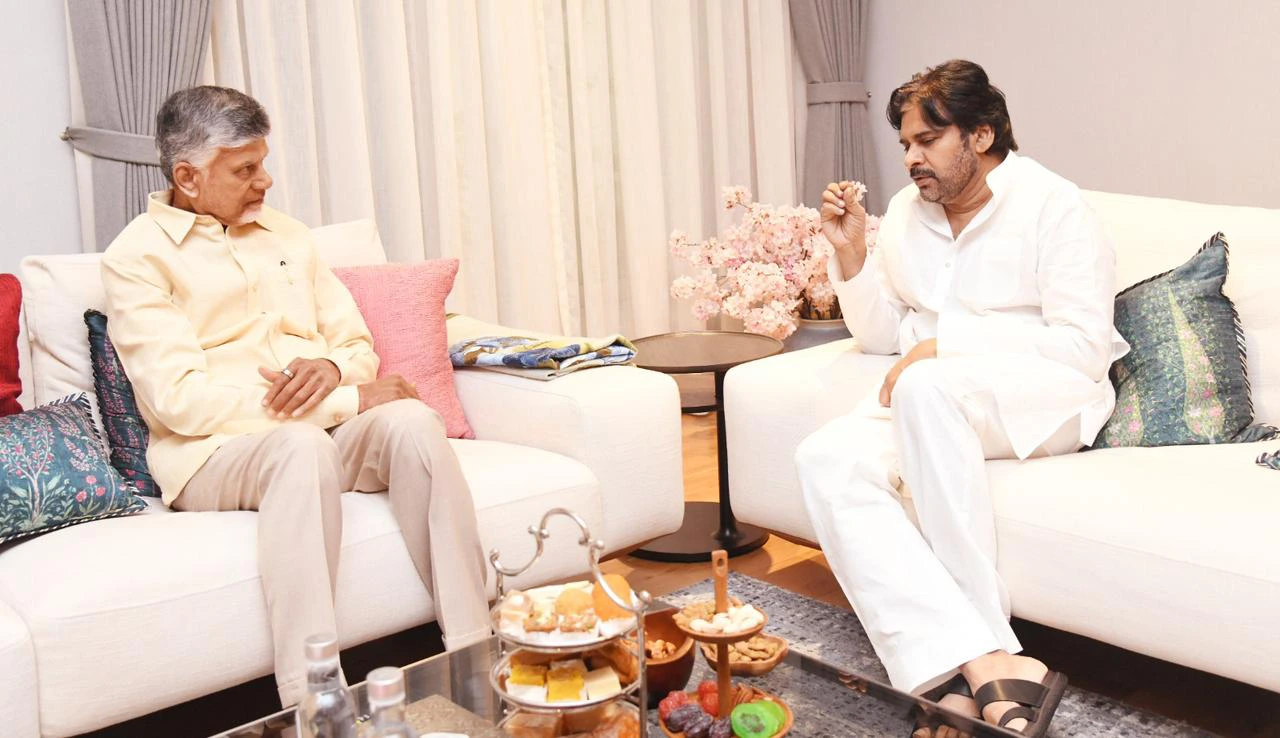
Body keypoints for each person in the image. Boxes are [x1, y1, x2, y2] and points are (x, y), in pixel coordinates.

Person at [101, 86, 491, 707]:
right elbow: (182, 402)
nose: (265, 181)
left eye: (263, 162)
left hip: (318, 436)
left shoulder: (289, 235)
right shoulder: (136, 258)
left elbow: (356, 345)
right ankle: (313, 701)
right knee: (301, 447)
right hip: (214, 455)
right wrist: (345, 401)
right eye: (245, 169)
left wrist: (332, 368)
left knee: (413, 421)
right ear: (188, 177)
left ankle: (476, 655)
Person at [795, 60, 1128, 736]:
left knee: (925, 384)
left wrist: (947, 347)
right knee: (824, 457)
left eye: (928, 140)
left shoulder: (1055, 205)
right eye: (905, 144)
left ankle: (969, 659)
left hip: (1046, 396)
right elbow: (884, 335)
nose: (911, 159)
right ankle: (977, 662)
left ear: (980, 135)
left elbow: (1083, 348)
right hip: (932, 395)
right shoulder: (905, 214)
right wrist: (853, 257)